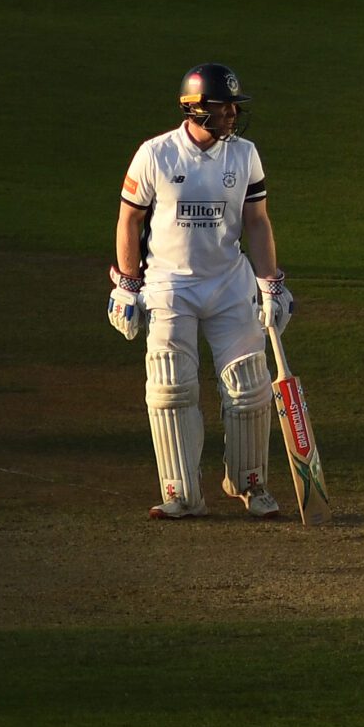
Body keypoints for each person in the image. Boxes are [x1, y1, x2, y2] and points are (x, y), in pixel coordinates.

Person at [107, 63, 295, 519]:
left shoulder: (245, 154)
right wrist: (129, 287)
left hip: (230, 283)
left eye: (233, 105)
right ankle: (182, 494)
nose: (232, 113)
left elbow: (257, 220)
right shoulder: (155, 154)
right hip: (170, 285)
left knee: (250, 388)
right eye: (221, 105)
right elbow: (129, 218)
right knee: (171, 386)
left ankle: (249, 482)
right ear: (194, 108)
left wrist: (270, 284)